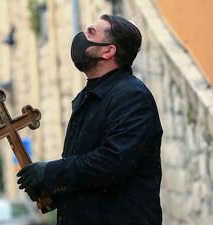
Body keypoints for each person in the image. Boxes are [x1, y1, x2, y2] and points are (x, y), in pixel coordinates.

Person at [17, 14, 163, 225]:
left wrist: (50, 174)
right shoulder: (89, 97)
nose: (80, 36)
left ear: (108, 51)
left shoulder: (132, 96)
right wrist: (51, 191)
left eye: (91, 33)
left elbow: (113, 162)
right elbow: (86, 172)